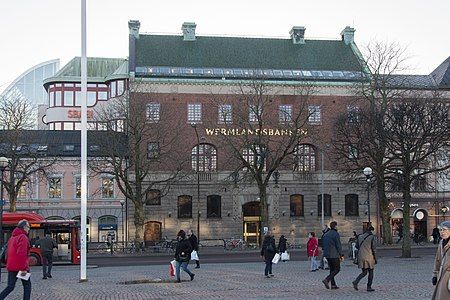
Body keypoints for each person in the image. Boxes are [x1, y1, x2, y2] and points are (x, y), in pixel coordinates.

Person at [0, 219, 32, 300]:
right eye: (28, 227)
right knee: (27, 286)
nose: (29, 229)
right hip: (20, 268)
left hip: (11, 266)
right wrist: (24, 269)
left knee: (10, 287)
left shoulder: (12, 237)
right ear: (24, 227)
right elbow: (21, 254)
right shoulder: (23, 237)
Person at [352, 225, 377, 292]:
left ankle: (356, 281)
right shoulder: (372, 237)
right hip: (369, 256)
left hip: (361, 256)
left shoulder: (360, 236)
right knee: (371, 271)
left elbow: (357, 246)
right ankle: (369, 286)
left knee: (364, 272)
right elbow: (373, 248)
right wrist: (375, 258)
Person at [321, 221, 343, 290]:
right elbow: (338, 245)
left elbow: (323, 245)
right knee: (337, 269)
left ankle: (333, 285)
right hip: (334, 254)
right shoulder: (335, 234)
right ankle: (327, 279)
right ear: (335, 226)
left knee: (332, 269)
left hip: (327, 255)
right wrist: (341, 254)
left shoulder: (326, 234)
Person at [432, 220, 450, 300]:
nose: (442, 232)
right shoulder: (441, 242)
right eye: (440, 230)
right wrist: (435, 275)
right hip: (441, 276)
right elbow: (438, 260)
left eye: (444, 229)